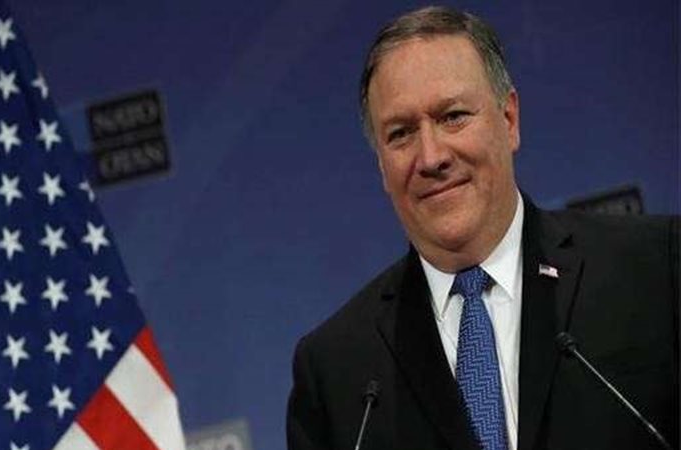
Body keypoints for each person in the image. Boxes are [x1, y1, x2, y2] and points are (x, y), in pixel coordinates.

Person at [286, 6, 679, 450]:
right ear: (380, 165)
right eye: (400, 133)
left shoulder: (655, 270)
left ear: (509, 120)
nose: (431, 157)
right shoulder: (334, 371)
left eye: (453, 116)